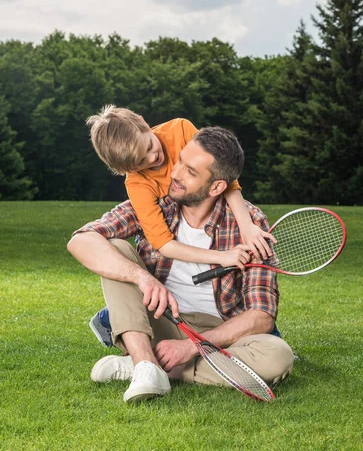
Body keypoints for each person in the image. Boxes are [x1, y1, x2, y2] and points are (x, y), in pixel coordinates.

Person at [67, 127, 294, 403]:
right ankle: (146, 363)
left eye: (191, 172)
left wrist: (190, 347)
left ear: (217, 187)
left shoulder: (251, 224)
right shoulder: (154, 205)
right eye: (180, 161)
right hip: (164, 318)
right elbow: (81, 241)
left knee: (277, 356)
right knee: (114, 249)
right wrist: (142, 278)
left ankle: (148, 365)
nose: (174, 174)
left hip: (218, 332)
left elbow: (261, 316)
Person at [86, 106, 274, 268]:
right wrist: (222, 257)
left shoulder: (179, 129)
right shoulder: (137, 184)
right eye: (140, 161)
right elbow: (164, 244)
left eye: (150, 145)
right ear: (124, 170)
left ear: (143, 123)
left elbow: (222, 174)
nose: (152, 158)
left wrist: (246, 225)